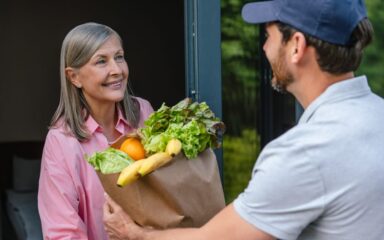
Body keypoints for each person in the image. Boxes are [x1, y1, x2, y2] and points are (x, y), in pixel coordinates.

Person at [103, 0, 384, 239]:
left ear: (296, 46)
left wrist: (135, 234)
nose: (264, 48)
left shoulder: (305, 152)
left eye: (269, 36)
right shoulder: (377, 114)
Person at [38, 22, 154, 239]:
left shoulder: (143, 113)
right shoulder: (62, 140)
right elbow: (63, 233)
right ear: (74, 77)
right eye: (102, 61)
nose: (117, 70)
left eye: (119, 57)